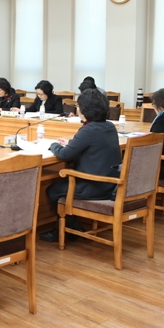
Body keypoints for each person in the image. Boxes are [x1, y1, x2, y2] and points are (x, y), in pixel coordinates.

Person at [39, 89, 122, 242]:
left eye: (78, 106)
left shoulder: (89, 129)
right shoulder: (109, 126)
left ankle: (65, 228)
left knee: (53, 190)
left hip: (94, 186)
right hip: (111, 184)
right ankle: (72, 225)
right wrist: (72, 144)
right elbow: (91, 147)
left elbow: (64, 155)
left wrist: (54, 145)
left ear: (85, 110)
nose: (77, 109)